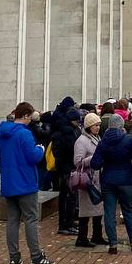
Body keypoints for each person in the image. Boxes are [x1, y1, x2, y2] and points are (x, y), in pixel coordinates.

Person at [0, 102, 55, 264]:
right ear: (25, 116)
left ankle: (14, 257)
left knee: (13, 220)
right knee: (30, 218)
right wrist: (40, 149)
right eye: (30, 116)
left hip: (9, 181)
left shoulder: (4, 134)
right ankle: (36, 256)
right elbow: (33, 157)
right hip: (25, 181)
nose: (31, 119)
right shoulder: (25, 134)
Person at [91, 114, 132, 254]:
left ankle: (113, 244)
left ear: (108, 126)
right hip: (125, 179)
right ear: (121, 125)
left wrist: (105, 163)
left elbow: (94, 164)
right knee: (128, 211)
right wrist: (130, 170)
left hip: (108, 180)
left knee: (109, 212)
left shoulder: (103, 142)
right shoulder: (128, 140)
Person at [73, 113, 107, 247]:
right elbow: (77, 162)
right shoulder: (81, 141)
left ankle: (97, 235)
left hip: (97, 178)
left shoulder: (96, 138)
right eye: (95, 125)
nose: (98, 128)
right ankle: (82, 237)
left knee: (98, 208)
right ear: (89, 126)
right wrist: (94, 158)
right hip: (87, 180)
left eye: (99, 125)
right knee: (86, 210)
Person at [50, 101, 81, 235]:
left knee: (65, 196)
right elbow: (71, 149)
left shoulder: (61, 129)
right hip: (68, 167)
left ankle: (66, 222)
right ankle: (67, 223)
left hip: (63, 167)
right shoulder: (68, 132)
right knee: (70, 196)